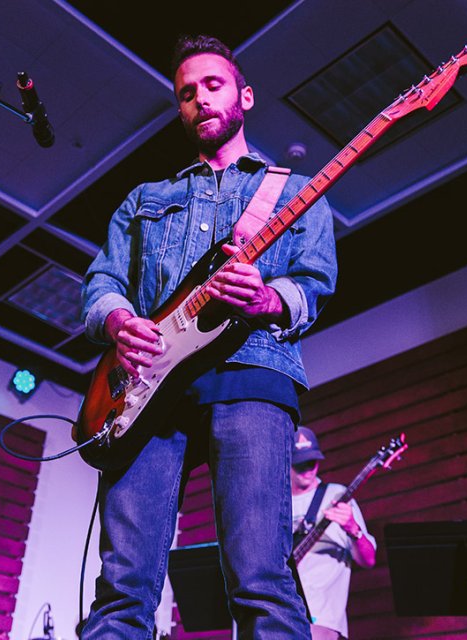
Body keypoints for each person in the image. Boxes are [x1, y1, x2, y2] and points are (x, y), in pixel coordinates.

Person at [80, 33, 337, 640]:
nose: (198, 100)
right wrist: (121, 323)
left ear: (245, 96)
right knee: (121, 591)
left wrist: (270, 298)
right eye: (185, 93)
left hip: (252, 373)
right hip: (143, 394)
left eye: (213, 85)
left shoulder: (296, 196)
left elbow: (314, 286)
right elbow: (102, 283)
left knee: (261, 580)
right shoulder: (144, 200)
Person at [291, 427, 377, 640]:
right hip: (282, 617)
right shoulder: (277, 505)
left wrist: (353, 529)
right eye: (300, 464)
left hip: (321, 621)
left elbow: (369, 559)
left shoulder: (336, 495)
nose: (308, 469)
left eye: (312, 462)